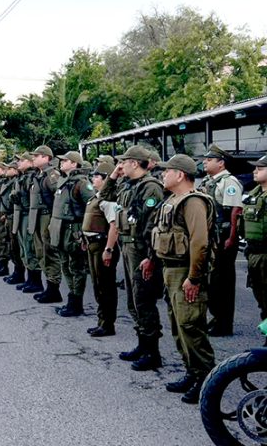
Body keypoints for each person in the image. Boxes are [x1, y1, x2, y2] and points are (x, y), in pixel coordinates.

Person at [151, 153, 216, 404]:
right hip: (171, 270)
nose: (163, 174)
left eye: (167, 171)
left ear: (180, 175)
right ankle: (192, 372)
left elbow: (200, 243)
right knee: (179, 327)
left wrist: (194, 277)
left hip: (185, 272)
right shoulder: (173, 200)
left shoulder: (193, 202)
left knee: (191, 326)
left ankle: (206, 380)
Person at [101, 145, 165, 371]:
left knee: (144, 300)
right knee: (133, 300)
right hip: (127, 246)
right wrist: (114, 175)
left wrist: (150, 257)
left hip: (141, 249)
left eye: (124, 162)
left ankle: (152, 352)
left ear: (135, 163)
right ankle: (142, 344)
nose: (121, 165)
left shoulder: (151, 188)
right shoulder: (128, 184)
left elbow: (151, 226)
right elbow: (105, 196)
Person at [201, 144, 243, 337]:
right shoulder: (210, 181)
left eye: (209, 160)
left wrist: (232, 237)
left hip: (223, 236)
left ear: (220, 163)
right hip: (211, 235)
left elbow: (234, 211)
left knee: (223, 281)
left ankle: (224, 323)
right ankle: (216, 317)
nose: (205, 162)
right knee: (212, 280)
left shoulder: (229, 182)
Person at [49, 151, 94, 317]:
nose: (62, 163)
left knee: (76, 267)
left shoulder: (82, 183)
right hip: (60, 229)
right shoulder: (64, 181)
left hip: (73, 230)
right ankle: (72, 298)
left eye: (66, 160)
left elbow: (91, 206)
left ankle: (77, 301)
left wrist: (84, 232)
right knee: (65, 266)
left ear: (75, 164)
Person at [83, 161, 120, 336]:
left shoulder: (108, 201)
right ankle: (101, 321)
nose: (93, 179)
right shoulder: (96, 197)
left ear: (106, 179)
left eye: (97, 176)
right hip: (93, 244)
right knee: (98, 285)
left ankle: (107, 324)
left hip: (102, 245)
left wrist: (109, 249)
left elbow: (114, 226)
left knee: (105, 286)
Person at [28, 145, 62, 303]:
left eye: (37, 155)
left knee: (49, 253)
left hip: (47, 217)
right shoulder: (39, 175)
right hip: (37, 217)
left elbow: (59, 199)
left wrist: (54, 222)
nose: (33, 158)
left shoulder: (52, 175)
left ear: (46, 157)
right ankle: (48, 286)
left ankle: (54, 288)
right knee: (41, 252)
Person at [9, 152, 43, 292]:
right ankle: (30, 279)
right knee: (24, 248)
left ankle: (36, 281)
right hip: (21, 214)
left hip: (29, 214)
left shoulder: (33, 177)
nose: (18, 163)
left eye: (22, 160)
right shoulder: (22, 177)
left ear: (30, 162)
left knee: (30, 247)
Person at [243, 154, 267, 338]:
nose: (255, 171)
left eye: (260, 168)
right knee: (262, 299)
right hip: (254, 253)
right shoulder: (254, 194)